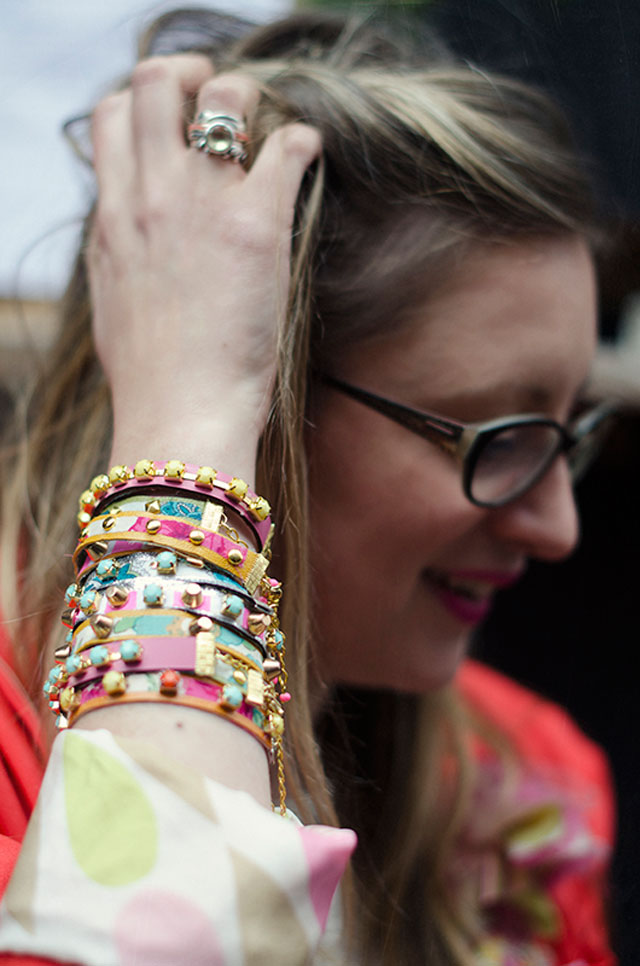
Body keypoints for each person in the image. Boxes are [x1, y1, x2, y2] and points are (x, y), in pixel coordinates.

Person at [0, 9, 616, 965]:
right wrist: (189, 419)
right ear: (270, 406)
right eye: (498, 439)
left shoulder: (517, 788)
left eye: (566, 435)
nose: (558, 527)